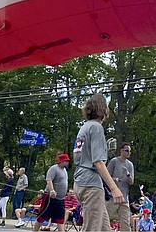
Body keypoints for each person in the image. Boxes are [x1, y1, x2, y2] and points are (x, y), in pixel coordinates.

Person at [73, 93, 124, 232]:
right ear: (103, 109)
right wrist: (114, 188)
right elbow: (98, 162)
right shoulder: (96, 128)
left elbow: (84, 155)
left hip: (80, 180)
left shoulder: (85, 127)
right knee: (92, 229)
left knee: (104, 228)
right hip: (91, 185)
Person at [32, 153, 70, 232]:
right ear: (61, 161)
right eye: (66, 161)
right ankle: (35, 230)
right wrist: (52, 190)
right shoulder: (54, 168)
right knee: (43, 215)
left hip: (60, 199)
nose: (67, 162)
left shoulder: (64, 170)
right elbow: (49, 180)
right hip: (50, 197)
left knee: (60, 218)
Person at [107, 143, 135, 232]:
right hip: (113, 196)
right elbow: (106, 176)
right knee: (105, 217)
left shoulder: (130, 165)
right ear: (121, 151)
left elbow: (131, 182)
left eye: (129, 151)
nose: (128, 153)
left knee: (126, 223)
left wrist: (128, 175)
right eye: (127, 150)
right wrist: (114, 179)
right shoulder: (114, 161)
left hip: (124, 197)